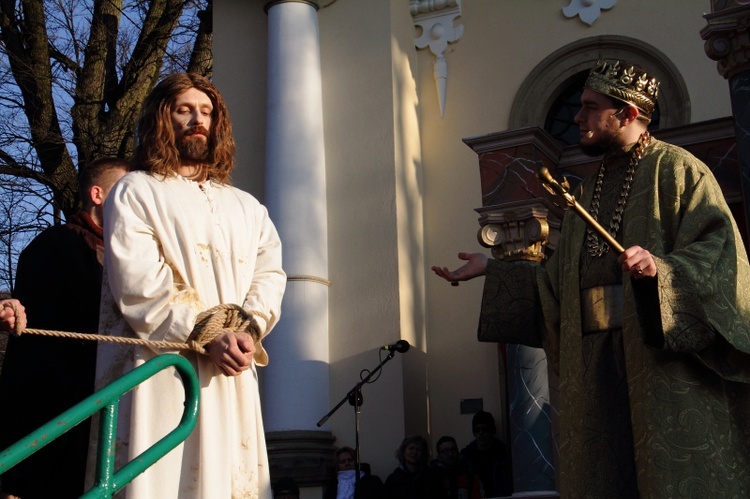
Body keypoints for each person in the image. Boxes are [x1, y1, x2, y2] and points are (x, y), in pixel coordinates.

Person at [433, 58, 750, 497]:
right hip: (595, 366)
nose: (577, 117)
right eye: (578, 106)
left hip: (657, 361)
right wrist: (496, 269)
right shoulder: (586, 190)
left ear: (628, 114)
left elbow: (720, 259)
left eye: (589, 106)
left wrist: (663, 270)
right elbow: (560, 286)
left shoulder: (678, 171)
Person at [93, 73, 286, 498]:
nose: (197, 119)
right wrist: (209, 332)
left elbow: (270, 274)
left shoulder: (248, 207)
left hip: (232, 370)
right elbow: (139, 283)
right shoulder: (135, 190)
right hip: (163, 368)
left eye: (206, 111)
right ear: (163, 119)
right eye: (184, 110)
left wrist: (246, 331)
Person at [0, 157, 130, 499]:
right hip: (60, 420)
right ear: (98, 195)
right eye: (126, 191)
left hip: (96, 409)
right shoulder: (57, 245)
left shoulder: (125, 255)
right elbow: (37, 351)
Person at [458, 412, 510, 497]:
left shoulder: (503, 453)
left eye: (484, 429)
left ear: (492, 430)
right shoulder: (467, 455)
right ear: (474, 433)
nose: (481, 433)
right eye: (477, 430)